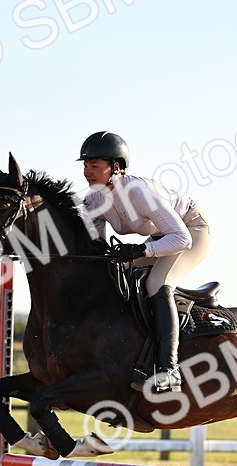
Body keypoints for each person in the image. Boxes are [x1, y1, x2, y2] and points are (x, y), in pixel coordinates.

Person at [77, 131, 212, 393]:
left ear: (116, 168)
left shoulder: (138, 191)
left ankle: (169, 370)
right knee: (120, 279)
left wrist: (142, 249)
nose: (87, 172)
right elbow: (98, 246)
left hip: (192, 230)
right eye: (85, 166)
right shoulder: (93, 200)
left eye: (94, 166)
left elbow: (181, 239)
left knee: (156, 283)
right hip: (161, 236)